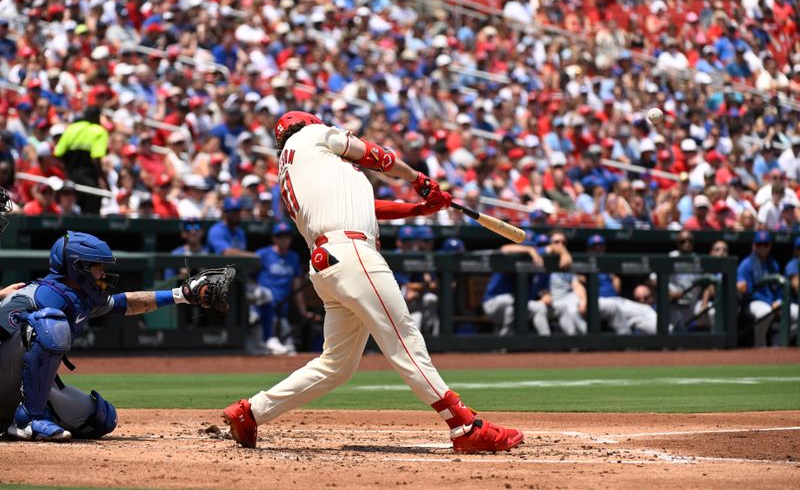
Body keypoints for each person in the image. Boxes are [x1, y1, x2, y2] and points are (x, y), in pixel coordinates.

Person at [222, 111, 523, 452]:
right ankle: (465, 426)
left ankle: (251, 412)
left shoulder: (299, 167)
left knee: (335, 365)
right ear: (309, 123)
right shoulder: (315, 135)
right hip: (352, 254)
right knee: (404, 338)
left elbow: (365, 205)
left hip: (328, 263)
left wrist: (418, 209)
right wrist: (418, 178)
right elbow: (375, 155)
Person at [0, 231, 220, 441]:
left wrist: (181, 295)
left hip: (16, 385)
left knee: (101, 418)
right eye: (98, 267)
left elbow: (127, 303)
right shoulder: (35, 296)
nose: (103, 274)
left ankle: (25, 414)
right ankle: (28, 419)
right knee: (50, 321)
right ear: (79, 268)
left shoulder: (76, 298)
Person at [253, 221, 309, 356]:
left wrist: (303, 311)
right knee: (260, 353)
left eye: (287, 237)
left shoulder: (293, 258)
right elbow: (249, 278)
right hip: (264, 312)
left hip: (282, 312)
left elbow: (296, 287)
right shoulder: (263, 254)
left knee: (290, 352)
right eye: (280, 237)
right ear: (274, 238)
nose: (284, 240)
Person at [585, 235, 657, 334]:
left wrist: (615, 277)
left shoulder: (606, 265)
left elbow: (617, 286)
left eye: (600, 246)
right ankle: (627, 344)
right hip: (600, 301)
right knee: (615, 308)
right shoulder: (584, 263)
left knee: (645, 309)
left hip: (616, 299)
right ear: (588, 249)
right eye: (594, 246)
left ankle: (666, 336)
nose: (598, 249)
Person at [736, 231, 798, 346]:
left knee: (797, 312)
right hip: (754, 303)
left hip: (773, 302)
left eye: (766, 245)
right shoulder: (746, 264)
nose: (763, 248)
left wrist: (779, 301)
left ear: (770, 246)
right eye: (759, 244)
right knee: (765, 311)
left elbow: (779, 289)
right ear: (754, 245)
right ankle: (760, 345)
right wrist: (770, 303)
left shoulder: (773, 264)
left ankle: (779, 341)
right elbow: (748, 292)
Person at [53, 107, 110, 214]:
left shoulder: (71, 128)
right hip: (89, 181)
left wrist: (67, 172)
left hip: (71, 180)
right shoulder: (99, 131)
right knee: (91, 218)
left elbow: (58, 154)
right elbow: (96, 159)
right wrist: (105, 181)